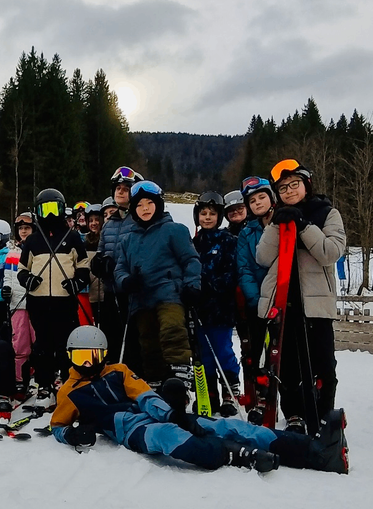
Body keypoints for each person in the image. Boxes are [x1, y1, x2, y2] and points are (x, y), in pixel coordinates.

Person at [48, 326, 348, 474]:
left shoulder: (119, 371)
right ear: (70, 356)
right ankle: (233, 455)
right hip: (131, 428)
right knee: (168, 436)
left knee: (229, 425)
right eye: (80, 357)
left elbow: (144, 394)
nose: (88, 364)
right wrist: (72, 432)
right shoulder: (70, 392)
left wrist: (171, 412)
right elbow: (57, 425)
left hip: (157, 415)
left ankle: (316, 451)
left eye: (94, 356)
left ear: (104, 354)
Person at [257, 159, 346, 433]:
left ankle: (322, 415)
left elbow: (330, 253)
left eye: (294, 184)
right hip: (284, 301)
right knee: (288, 367)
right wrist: (275, 226)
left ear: (305, 184)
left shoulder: (327, 213)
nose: (289, 191)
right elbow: (262, 257)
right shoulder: (277, 219)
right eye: (283, 188)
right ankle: (293, 415)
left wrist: (304, 226)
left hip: (316, 303)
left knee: (324, 365)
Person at [113, 180, 200, 385]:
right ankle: (155, 380)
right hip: (142, 298)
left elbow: (190, 259)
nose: (145, 209)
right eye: (140, 205)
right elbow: (120, 268)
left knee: (171, 330)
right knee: (148, 341)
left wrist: (192, 285)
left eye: (149, 204)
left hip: (169, 292)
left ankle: (179, 375)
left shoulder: (174, 230)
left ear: (158, 205)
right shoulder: (128, 239)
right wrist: (126, 282)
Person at [16, 188, 88, 407]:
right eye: (44, 210)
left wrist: (76, 283)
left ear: (61, 209)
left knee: (65, 344)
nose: (49, 215)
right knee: (43, 345)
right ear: (38, 212)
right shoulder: (33, 241)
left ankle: (67, 384)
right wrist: (28, 281)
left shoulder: (72, 237)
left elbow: (83, 266)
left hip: (64, 300)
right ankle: (44, 386)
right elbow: (22, 269)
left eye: (53, 209)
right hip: (38, 301)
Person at [192, 192, 242, 414]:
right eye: (203, 213)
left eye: (212, 214)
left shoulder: (228, 241)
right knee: (203, 352)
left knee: (222, 349)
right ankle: (209, 392)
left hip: (220, 306)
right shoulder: (193, 243)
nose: (207, 217)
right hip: (199, 308)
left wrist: (211, 284)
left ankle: (230, 390)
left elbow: (233, 273)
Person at [94, 167, 142, 369]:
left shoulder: (140, 220)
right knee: (111, 341)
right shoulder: (109, 223)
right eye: (117, 188)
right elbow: (101, 250)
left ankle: (136, 379)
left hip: (133, 293)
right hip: (110, 292)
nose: (120, 192)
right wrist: (98, 264)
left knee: (133, 342)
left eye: (125, 188)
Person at [235, 176, 275, 405]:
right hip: (258, 301)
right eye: (252, 200)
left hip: (284, 300)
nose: (258, 203)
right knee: (257, 353)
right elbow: (244, 268)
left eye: (262, 197)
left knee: (280, 354)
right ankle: (260, 399)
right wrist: (255, 299)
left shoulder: (283, 224)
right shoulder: (247, 233)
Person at [8, 212, 35, 396]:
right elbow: (8, 277)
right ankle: (19, 379)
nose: (24, 232)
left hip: (37, 301)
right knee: (19, 343)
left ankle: (37, 377)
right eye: (21, 229)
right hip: (17, 304)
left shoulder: (39, 249)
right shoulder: (12, 253)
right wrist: (6, 290)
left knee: (39, 340)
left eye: (27, 228)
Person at [82, 202, 106, 328]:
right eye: (90, 220)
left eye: (97, 220)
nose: (94, 223)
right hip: (91, 293)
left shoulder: (106, 239)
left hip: (105, 294)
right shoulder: (85, 242)